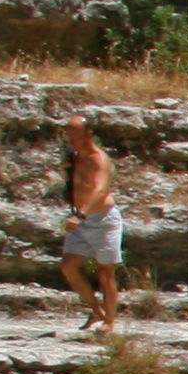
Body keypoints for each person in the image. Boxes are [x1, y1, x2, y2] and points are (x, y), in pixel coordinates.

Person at [58, 114, 120, 329]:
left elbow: (100, 190)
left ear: (88, 134)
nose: (70, 136)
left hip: (101, 219)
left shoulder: (98, 159)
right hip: (81, 219)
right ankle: (95, 311)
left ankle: (110, 323)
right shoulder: (75, 157)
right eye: (68, 131)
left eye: (74, 132)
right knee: (69, 267)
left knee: (106, 272)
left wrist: (80, 214)